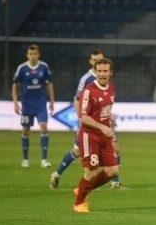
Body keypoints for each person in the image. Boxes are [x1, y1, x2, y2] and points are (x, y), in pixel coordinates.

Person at [50, 50, 124, 190]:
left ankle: (115, 182)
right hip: (88, 124)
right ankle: (57, 174)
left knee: (115, 147)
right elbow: (77, 100)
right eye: (95, 60)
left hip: (102, 122)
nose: (99, 64)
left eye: (101, 60)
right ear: (91, 62)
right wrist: (81, 120)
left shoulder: (106, 78)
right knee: (77, 151)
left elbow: (103, 102)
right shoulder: (86, 79)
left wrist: (109, 115)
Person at [72, 57, 120, 213]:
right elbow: (83, 117)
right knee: (91, 171)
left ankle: (82, 189)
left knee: (112, 171)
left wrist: (109, 118)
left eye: (105, 71)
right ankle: (79, 203)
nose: (102, 74)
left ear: (111, 72)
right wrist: (102, 127)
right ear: (95, 72)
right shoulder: (89, 90)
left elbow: (104, 109)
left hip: (104, 135)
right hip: (90, 135)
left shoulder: (111, 87)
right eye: (99, 71)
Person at [12, 44, 55, 168]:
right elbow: (15, 85)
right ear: (27, 55)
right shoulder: (22, 68)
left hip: (41, 104)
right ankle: (25, 159)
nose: (33, 56)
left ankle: (44, 160)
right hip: (26, 105)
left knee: (44, 126)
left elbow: (49, 84)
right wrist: (15, 102)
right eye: (30, 54)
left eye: (35, 54)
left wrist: (52, 101)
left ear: (38, 54)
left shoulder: (44, 67)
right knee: (26, 130)